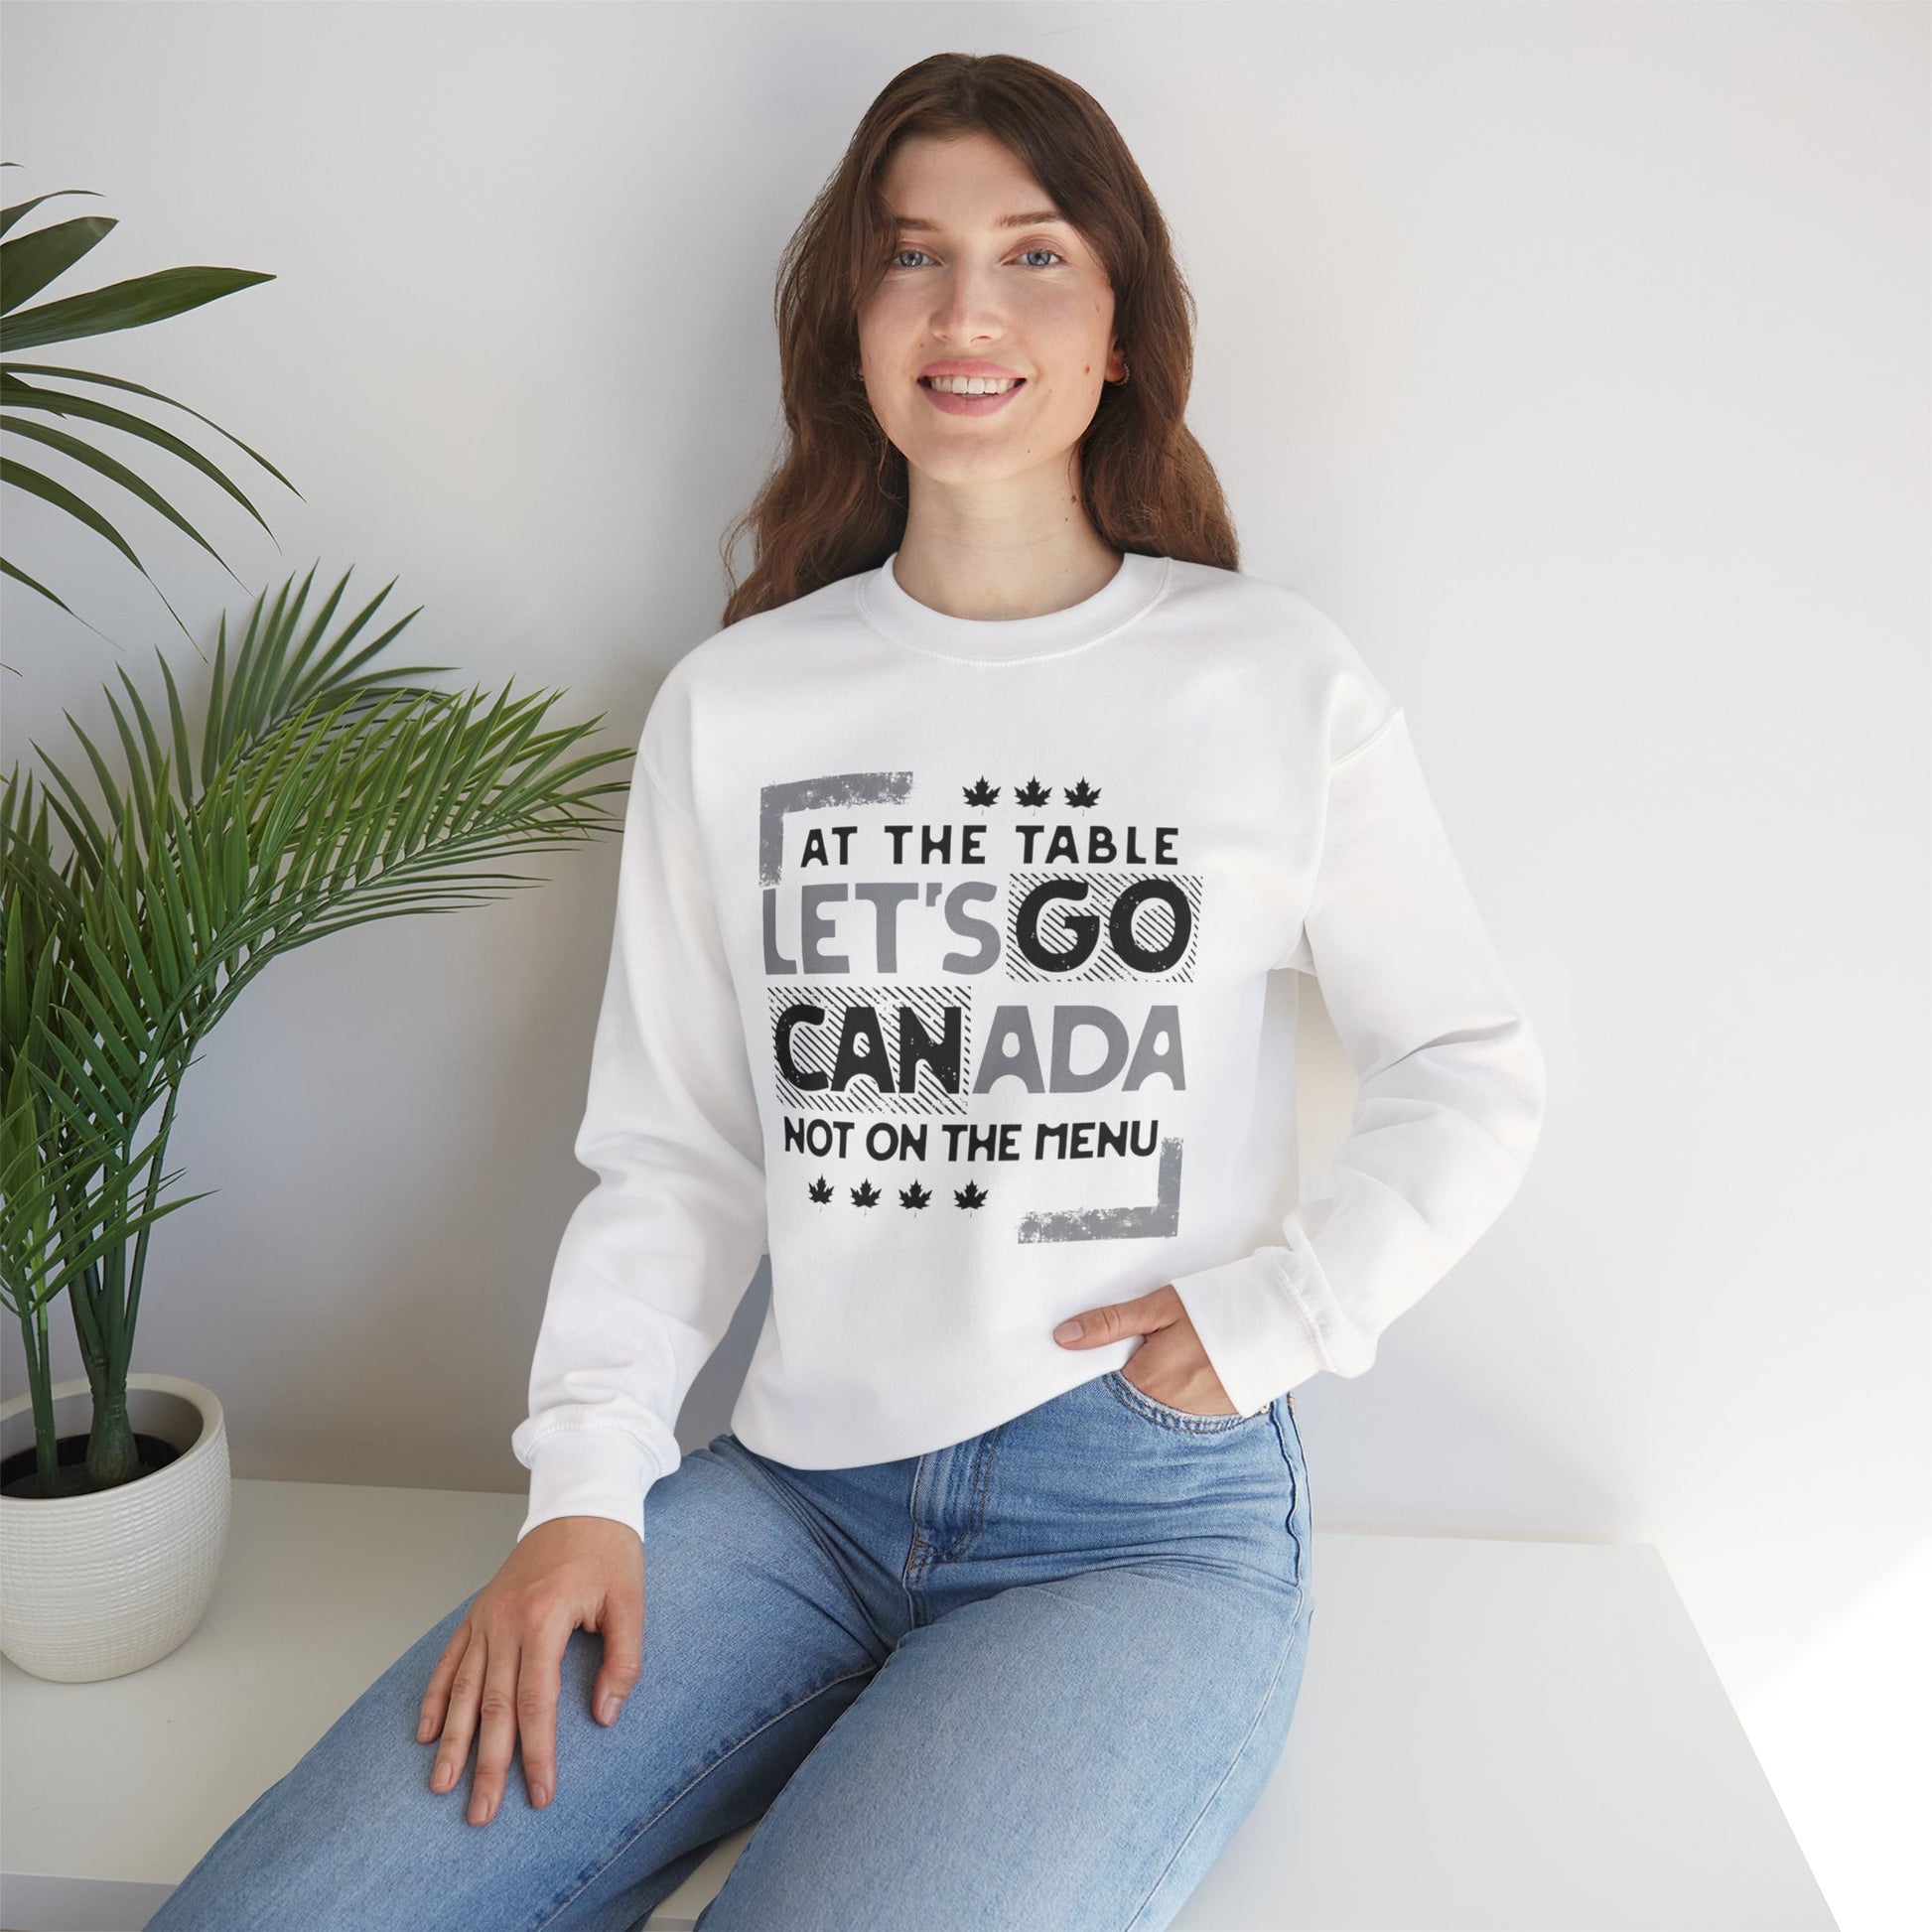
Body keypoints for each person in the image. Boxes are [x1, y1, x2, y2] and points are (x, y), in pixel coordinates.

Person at [148, 51, 1546, 1932]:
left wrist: (1288, 1305)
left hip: (1134, 1525)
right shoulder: (744, 705)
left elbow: (1466, 1060)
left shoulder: (1268, 682)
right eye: (912, 258)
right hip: (794, 1495)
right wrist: (586, 1484)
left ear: (1120, 324)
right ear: (854, 322)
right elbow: (678, 1156)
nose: (968, 311)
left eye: (1034, 256)